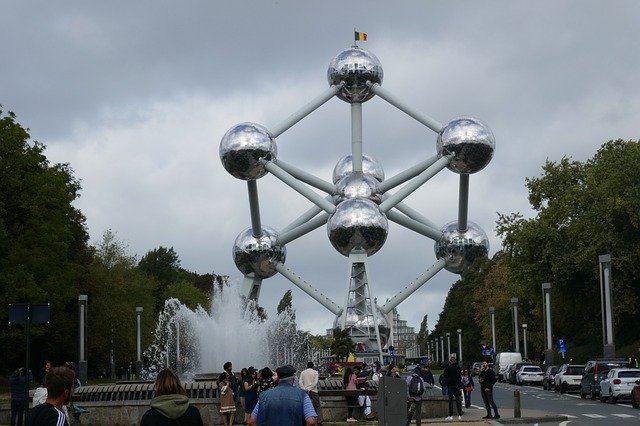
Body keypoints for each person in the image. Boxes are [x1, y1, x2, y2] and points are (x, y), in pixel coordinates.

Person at [248, 364, 316, 426]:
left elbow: (251, 421)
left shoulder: (263, 396)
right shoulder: (303, 395)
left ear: (278, 378)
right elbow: (311, 421)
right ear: (293, 379)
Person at [442, 356, 463, 421]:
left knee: (450, 400)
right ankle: (459, 415)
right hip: (457, 385)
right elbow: (460, 377)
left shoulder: (448, 368)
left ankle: (450, 415)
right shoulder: (458, 368)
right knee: (458, 400)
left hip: (450, 385)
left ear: (450, 361)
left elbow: (444, 375)